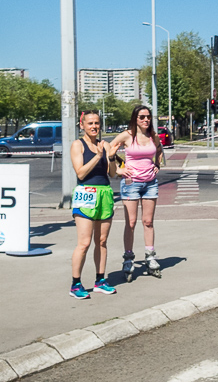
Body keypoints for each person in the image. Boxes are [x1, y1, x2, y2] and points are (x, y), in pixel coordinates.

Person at [69, 110, 119, 299]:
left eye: (96, 123)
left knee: (102, 241)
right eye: (90, 123)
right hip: (86, 194)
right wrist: (97, 157)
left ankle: (100, 280)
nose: (94, 127)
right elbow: (80, 173)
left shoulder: (104, 145)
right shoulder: (77, 145)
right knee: (84, 242)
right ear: (82, 125)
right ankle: (75, 284)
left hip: (104, 193)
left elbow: (112, 174)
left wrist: (111, 157)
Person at [110, 105, 164, 279]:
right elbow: (108, 149)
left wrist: (157, 164)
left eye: (148, 117)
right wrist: (118, 168)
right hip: (131, 183)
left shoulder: (153, 136)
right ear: (135, 119)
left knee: (148, 222)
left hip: (150, 183)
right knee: (131, 222)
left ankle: (150, 257)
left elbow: (160, 150)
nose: (146, 120)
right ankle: (128, 257)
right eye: (142, 117)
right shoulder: (127, 136)